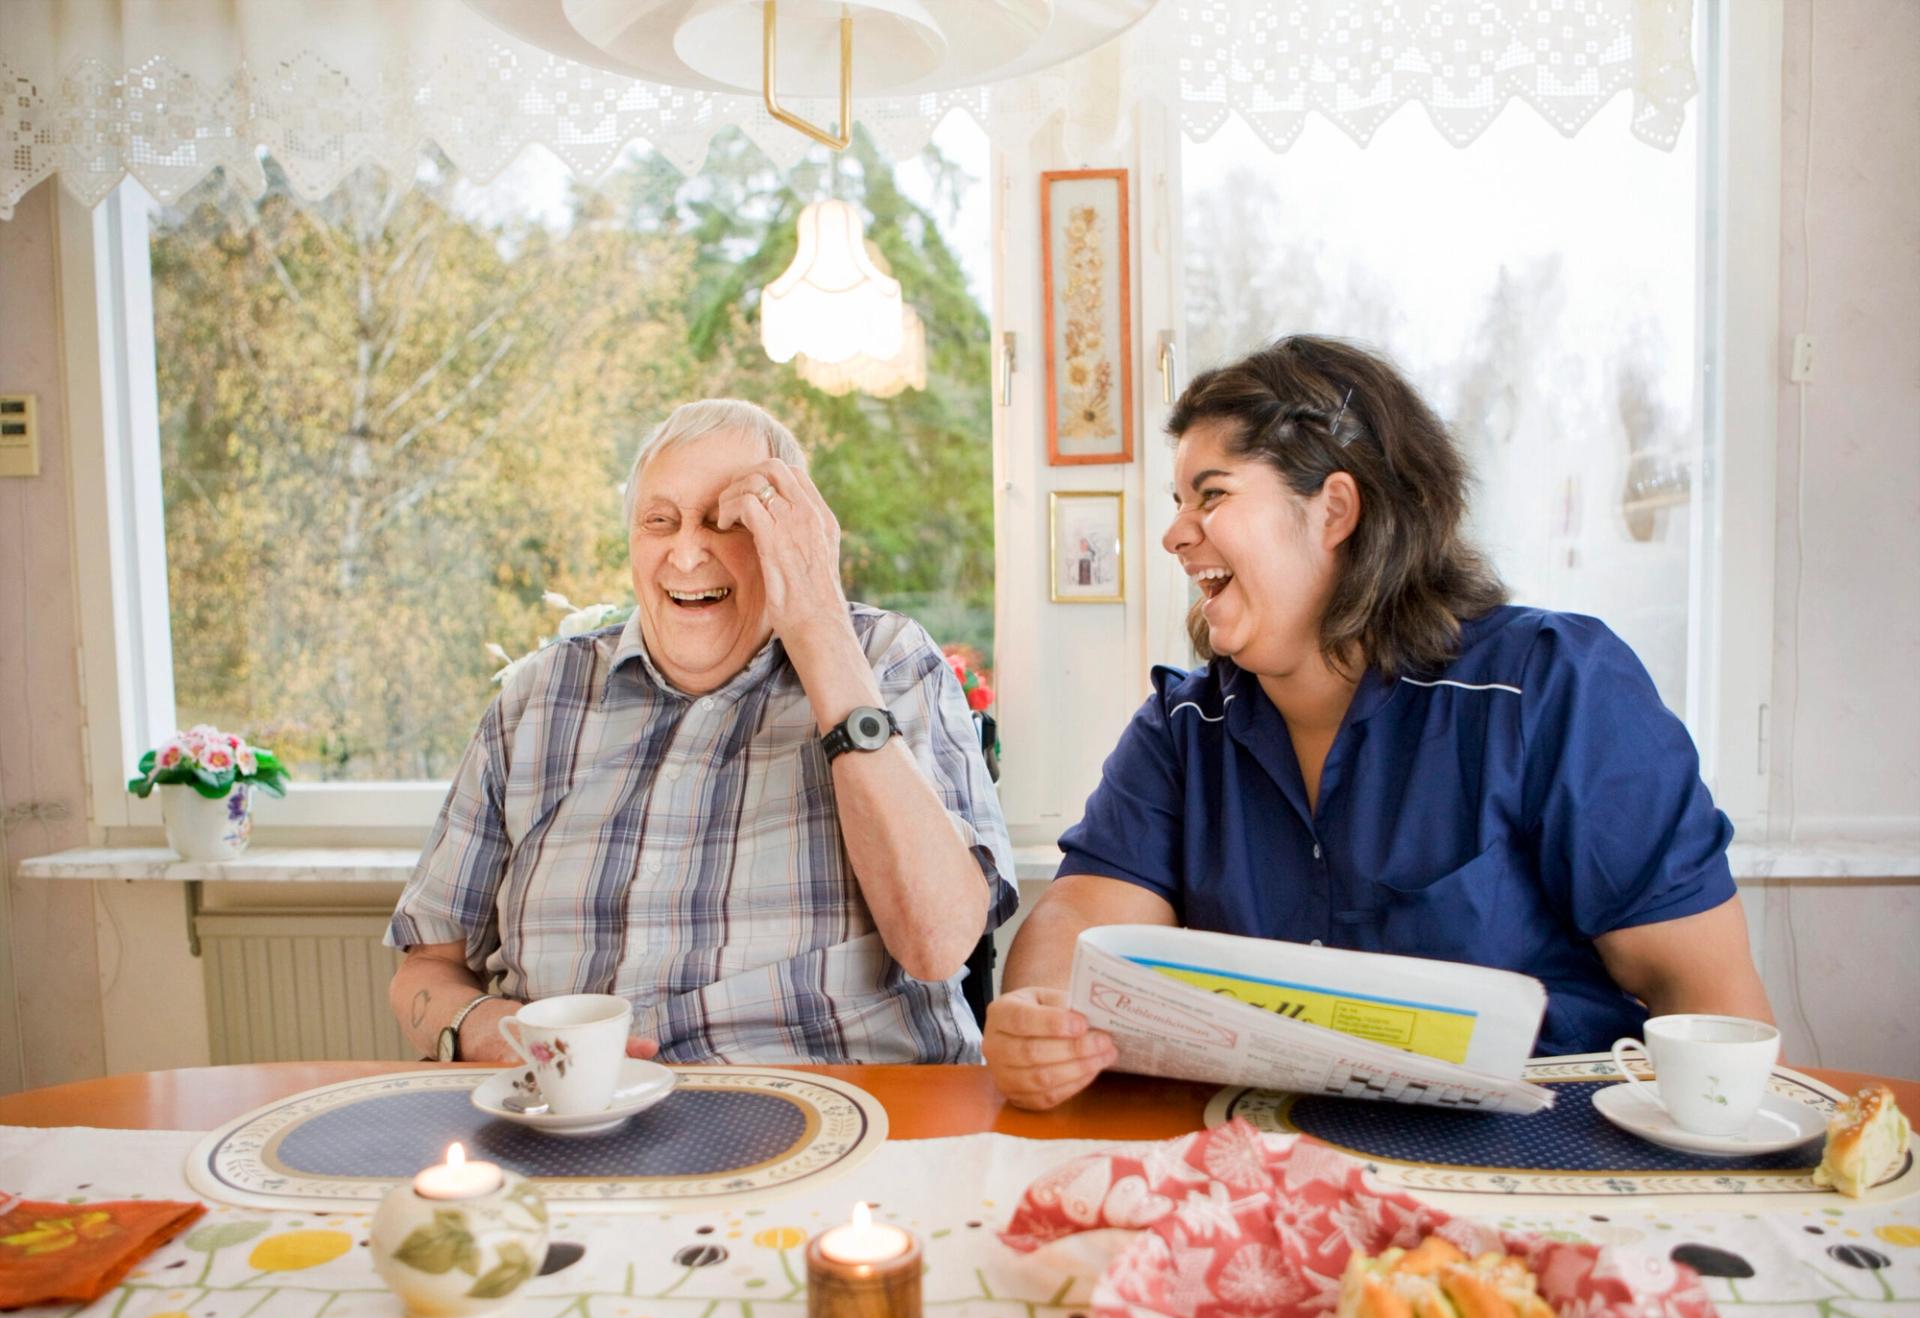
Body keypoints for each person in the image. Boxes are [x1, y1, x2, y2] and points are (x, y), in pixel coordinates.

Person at [983, 335, 1772, 1109]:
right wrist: (1041, 1018)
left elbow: (1711, 1002)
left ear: (1334, 510)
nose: (1175, 533)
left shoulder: (1553, 688)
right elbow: (1081, 919)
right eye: (1178, 502)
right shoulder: (1183, 725)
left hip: (1539, 1160)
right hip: (1268, 1160)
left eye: (1212, 494)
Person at [386, 399, 1016, 1065]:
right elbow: (427, 966)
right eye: (660, 522)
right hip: (579, 1109)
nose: (686, 554)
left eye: (727, 522)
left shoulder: (887, 659)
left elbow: (938, 943)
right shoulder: (536, 700)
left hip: (837, 1101)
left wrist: (818, 626)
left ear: (792, 536)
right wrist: (489, 1030)